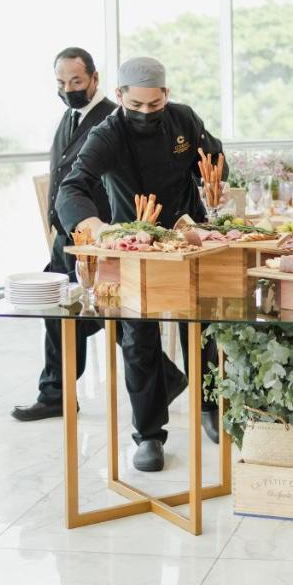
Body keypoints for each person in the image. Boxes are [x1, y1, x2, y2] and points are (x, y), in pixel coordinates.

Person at [57, 56, 227, 472]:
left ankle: (210, 406)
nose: (146, 114)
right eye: (137, 107)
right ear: (119, 97)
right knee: (138, 338)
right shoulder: (107, 133)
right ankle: (149, 434)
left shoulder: (184, 119)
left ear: (166, 96)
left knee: (203, 327)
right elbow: (72, 187)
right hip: (134, 240)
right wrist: (96, 227)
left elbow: (215, 156)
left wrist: (215, 181)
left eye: (155, 106)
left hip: (188, 235)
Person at [12, 47, 115, 423]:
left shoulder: (110, 120)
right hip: (66, 236)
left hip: (91, 235)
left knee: (85, 310)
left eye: (75, 81)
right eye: (61, 82)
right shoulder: (70, 116)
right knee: (64, 309)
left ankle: (164, 378)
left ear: (94, 79)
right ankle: (56, 392)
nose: (68, 88)